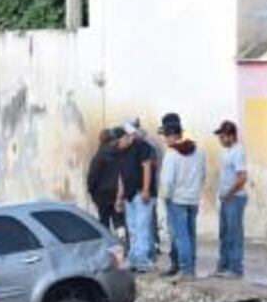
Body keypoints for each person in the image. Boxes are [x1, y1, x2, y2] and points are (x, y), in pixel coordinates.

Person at [158, 113, 206, 279]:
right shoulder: (199, 151)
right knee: (191, 234)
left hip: (176, 200)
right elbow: (202, 175)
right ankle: (191, 268)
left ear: (171, 135)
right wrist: (195, 192)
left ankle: (186, 271)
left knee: (181, 236)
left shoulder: (171, 155)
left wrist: (165, 198)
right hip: (193, 199)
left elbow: (168, 181)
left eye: (165, 135)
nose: (164, 139)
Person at [116, 123, 156, 273]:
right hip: (129, 194)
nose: (118, 143)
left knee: (142, 227)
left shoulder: (142, 146)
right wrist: (119, 197)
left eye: (120, 140)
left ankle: (143, 260)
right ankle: (134, 258)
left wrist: (146, 189)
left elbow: (147, 167)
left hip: (141, 193)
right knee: (132, 228)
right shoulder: (120, 151)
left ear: (128, 136)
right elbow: (121, 175)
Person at [214, 120, 248, 278]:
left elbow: (242, 178)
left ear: (231, 136)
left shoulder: (238, 151)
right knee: (224, 233)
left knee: (234, 233)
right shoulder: (226, 151)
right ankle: (224, 265)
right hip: (226, 198)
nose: (220, 139)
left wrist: (228, 193)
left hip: (234, 198)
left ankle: (236, 268)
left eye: (223, 136)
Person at [86, 129, 124, 232]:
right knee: (119, 222)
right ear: (112, 140)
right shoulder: (120, 154)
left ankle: (109, 245)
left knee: (104, 222)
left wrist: (91, 190)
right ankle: (123, 244)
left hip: (102, 195)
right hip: (117, 193)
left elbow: (92, 176)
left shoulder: (99, 156)